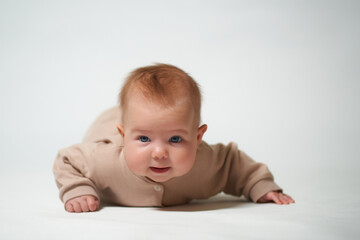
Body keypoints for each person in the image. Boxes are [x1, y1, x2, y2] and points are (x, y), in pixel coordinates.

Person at [53, 63, 295, 213]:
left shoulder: (205, 163)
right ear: (124, 135)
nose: (159, 153)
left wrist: (258, 185)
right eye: (144, 140)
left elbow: (234, 164)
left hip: (134, 121)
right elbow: (66, 159)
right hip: (104, 125)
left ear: (198, 137)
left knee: (148, 120)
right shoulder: (104, 160)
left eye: (176, 140)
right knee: (134, 118)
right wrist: (78, 189)